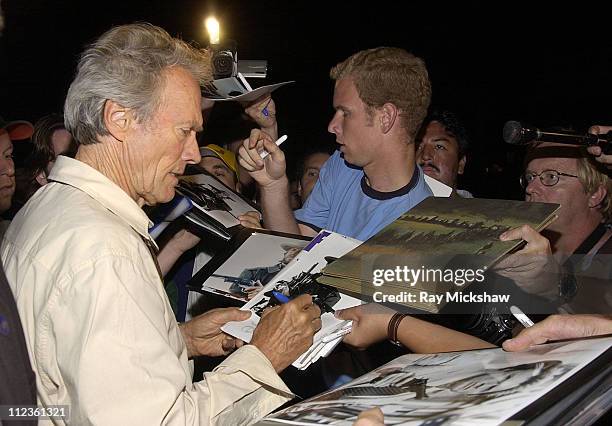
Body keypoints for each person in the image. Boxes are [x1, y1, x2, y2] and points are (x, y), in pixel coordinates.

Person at [1, 23, 322, 425]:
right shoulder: (103, 250)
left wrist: (178, 340)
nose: (192, 155)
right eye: (184, 131)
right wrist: (264, 359)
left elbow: (62, 378)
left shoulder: (50, 206)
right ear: (119, 119)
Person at [239, 47, 433, 240]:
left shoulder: (420, 228)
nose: (332, 126)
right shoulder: (341, 165)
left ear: (386, 117)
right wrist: (273, 184)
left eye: (345, 113)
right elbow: (294, 245)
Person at [416, 109, 472, 197]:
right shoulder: (394, 209)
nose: (425, 156)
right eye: (418, 146)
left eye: (439, 147)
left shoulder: (482, 210)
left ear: (461, 163)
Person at [227, 243, 304, 298]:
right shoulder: (253, 272)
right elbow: (235, 291)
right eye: (294, 250)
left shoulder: (302, 276)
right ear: (285, 253)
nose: (295, 253)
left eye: (299, 252)